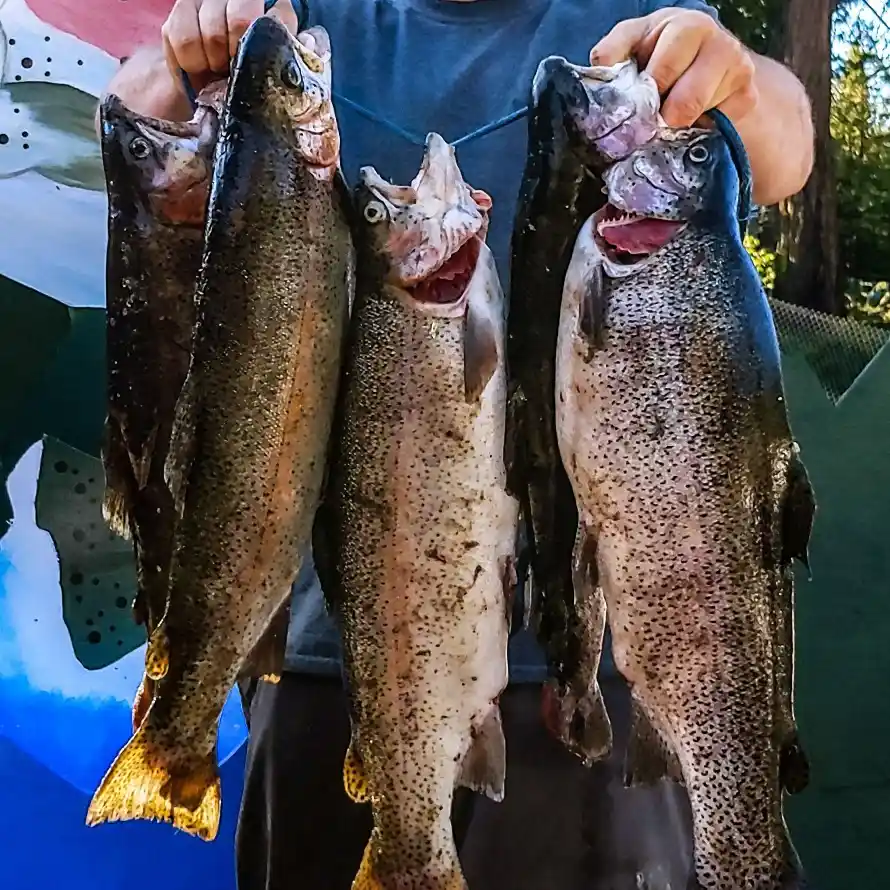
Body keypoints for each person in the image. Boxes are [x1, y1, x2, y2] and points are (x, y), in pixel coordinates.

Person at [102, 1, 814, 887]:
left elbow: (787, 147)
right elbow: (134, 117)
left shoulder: (634, 21)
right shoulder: (305, 19)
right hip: (351, 641)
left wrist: (737, 76)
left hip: (608, 658)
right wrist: (188, 53)